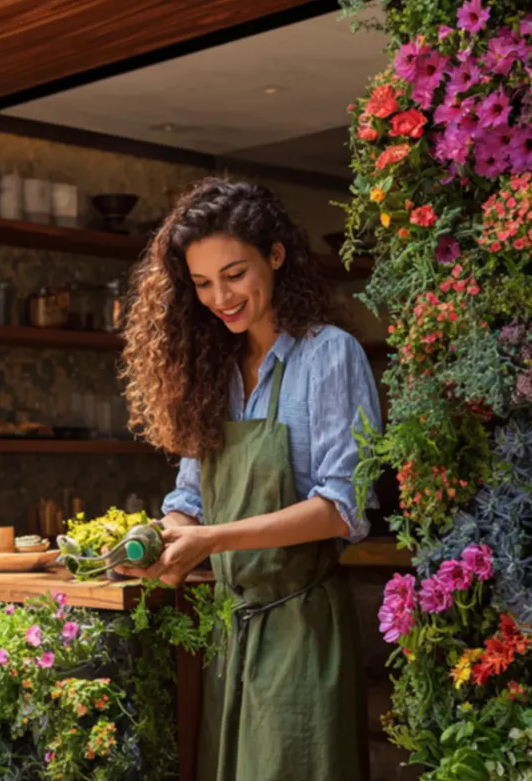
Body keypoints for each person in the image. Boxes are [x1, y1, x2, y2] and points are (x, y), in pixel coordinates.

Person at [119, 178, 379, 781]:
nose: (220, 298)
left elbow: (343, 507)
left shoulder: (329, 355)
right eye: (202, 283)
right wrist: (163, 537)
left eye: (234, 274)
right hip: (230, 632)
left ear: (276, 255)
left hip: (302, 628)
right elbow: (190, 498)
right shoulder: (213, 369)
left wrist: (211, 540)